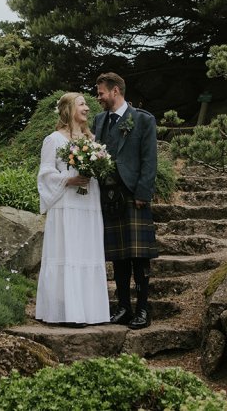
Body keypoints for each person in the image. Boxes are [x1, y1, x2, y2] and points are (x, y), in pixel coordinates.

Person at [34, 92, 110, 326]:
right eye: (82, 104)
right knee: (68, 252)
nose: (87, 108)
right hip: (66, 205)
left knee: (87, 251)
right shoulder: (54, 140)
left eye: (87, 104)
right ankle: (65, 312)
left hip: (88, 204)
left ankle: (90, 311)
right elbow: (45, 174)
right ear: (68, 109)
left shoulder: (93, 140)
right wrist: (68, 180)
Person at [93, 72, 159, 330]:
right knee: (118, 257)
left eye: (101, 93)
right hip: (108, 196)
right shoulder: (99, 121)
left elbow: (149, 159)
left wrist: (144, 192)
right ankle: (123, 308)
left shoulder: (142, 120)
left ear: (115, 91)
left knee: (139, 257)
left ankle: (143, 310)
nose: (98, 98)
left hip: (133, 195)